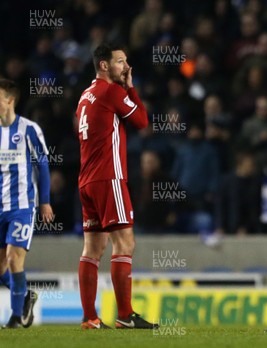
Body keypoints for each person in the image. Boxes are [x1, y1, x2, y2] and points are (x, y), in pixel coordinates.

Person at [75, 43, 157, 329]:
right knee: (125, 243)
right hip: (108, 178)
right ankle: (125, 315)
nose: (126, 67)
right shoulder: (112, 92)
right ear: (104, 66)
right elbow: (142, 121)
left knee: (92, 248)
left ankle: (90, 318)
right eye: (121, 62)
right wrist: (131, 89)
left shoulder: (85, 95)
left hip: (86, 180)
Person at [0, 79, 53, 328]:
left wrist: (45, 202)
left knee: (13, 258)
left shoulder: (29, 129)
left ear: (9, 100)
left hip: (22, 207)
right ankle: (25, 298)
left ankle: (14, 318)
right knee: (1, 268)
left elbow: (42, 165)